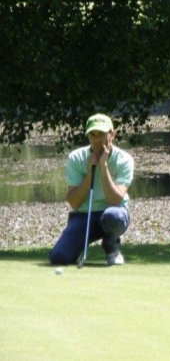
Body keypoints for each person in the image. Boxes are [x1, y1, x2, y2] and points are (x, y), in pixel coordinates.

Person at [49, 113, 133, 266]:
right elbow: (74, 203)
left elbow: (115, 200)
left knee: (113, 216)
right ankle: (78, 246)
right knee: (58, 257)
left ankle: (111, 246)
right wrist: (90, 173)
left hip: (114, 213)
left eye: (101, 134)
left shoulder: (124, 159)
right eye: (92, 135)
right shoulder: (76, 158)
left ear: (112, 134)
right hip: (84, 215)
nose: (97, 140)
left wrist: (103, 165)